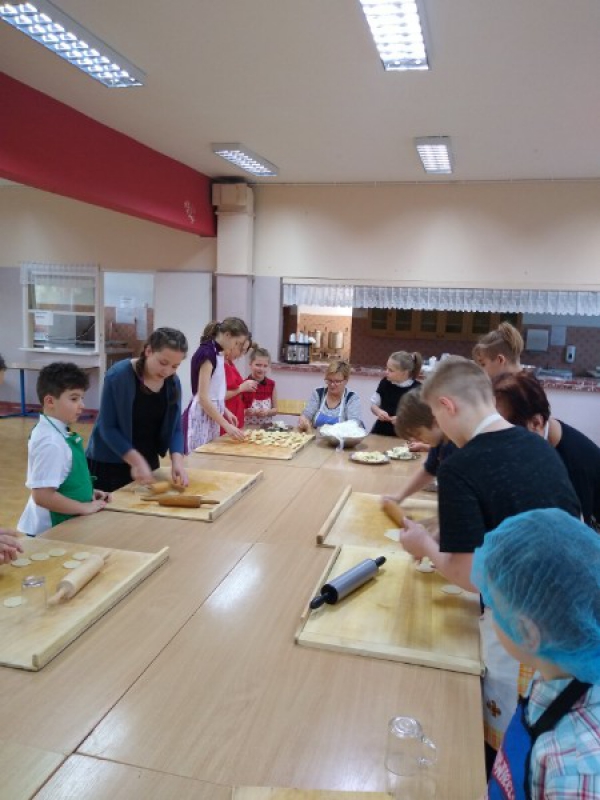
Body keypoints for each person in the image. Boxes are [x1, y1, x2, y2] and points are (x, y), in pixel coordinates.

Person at [395, 356, 580, 773]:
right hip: (576, 621)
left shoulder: (460, 467)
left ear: (447, 406)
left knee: (507, 744)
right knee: (548, 734)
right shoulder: (536, 444)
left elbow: (470, 575)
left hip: (525, 628)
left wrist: (424, 545)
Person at [471, 508, 600, 799]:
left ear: (527, 632)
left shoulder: (574, 774)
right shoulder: (558, 668)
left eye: (494, 606)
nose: (491, 614)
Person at [493, 371, 600, 528]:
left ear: (536, 423)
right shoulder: (542, 436)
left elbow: (576, 531)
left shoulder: (575, 465)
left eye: (506, 432)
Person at [87, 327, 188, 493]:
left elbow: (176, 428)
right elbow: (107, 427)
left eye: (175, 366)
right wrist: (136, 461)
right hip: (110, 462)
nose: (167, 371)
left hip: (147, 462)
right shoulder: (118, 376)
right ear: (148, 351)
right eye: (163, 363)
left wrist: (177, 461)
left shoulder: (172, 383)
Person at [19, 362, 110, 536]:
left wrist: (87, 493)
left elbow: (62, 480)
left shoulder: (57, 432)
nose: (82, 405)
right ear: (50, 401)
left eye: (82, 398)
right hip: (48, 532)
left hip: (63, 525)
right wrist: (83, 507)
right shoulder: (51, 442)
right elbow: (42, 496)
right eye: (74, 399)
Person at [186, 318, 250, 450]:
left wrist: (225, 411)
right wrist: (226, 425)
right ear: (227, 335)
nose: (235, 348)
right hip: (202, 415)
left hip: (212, 415)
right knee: (201, 455)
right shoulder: (207, 354)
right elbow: (203, 398)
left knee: (211, 453)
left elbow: (214, 393)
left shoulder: (217, 353)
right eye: (236, 343)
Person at [388, 387, 457, 503]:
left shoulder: (458, 446)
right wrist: (399, 497)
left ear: (436, 422)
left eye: (418, 434)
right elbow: (428, 470)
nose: (418, 440)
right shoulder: (439, 442)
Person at [298, 360, 363, 432]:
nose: (332, 385)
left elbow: (354, 424)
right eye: (329, 380)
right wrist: (304, 421)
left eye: (337, 381)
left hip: (341, 439)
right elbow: (306, 415)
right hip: (316, 437)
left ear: (346, 381)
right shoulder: (318, 393)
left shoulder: (351, 398)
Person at [370, 351, 422, 436]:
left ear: (404, 372)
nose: (386, 372)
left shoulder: (418, 389)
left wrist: (404, 420)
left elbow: (420, 418)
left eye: (391, 370)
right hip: (381, 431)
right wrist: (379, 412)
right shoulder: (385, 382)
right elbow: (373, 405)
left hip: (405, 434)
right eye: (386, 368)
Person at [223, 335, 257, 430]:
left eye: (244, 351)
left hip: (236, 415)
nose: (241, 355)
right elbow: (217, 397)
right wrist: (241, 388)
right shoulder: (220, 365)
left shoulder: (230, 363)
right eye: (241, 350)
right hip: (225, 417)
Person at [242, 346, 278, 427]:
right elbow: (238, 411)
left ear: (268, 367)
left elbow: (275, 410)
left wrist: (267, 412)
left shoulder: (271, 385)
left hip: (266, 428)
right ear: (250, 364)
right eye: (258, 365)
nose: (261, 369)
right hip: (247, 427)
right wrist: (248, 412)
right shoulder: (244, 385)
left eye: (265, 366)